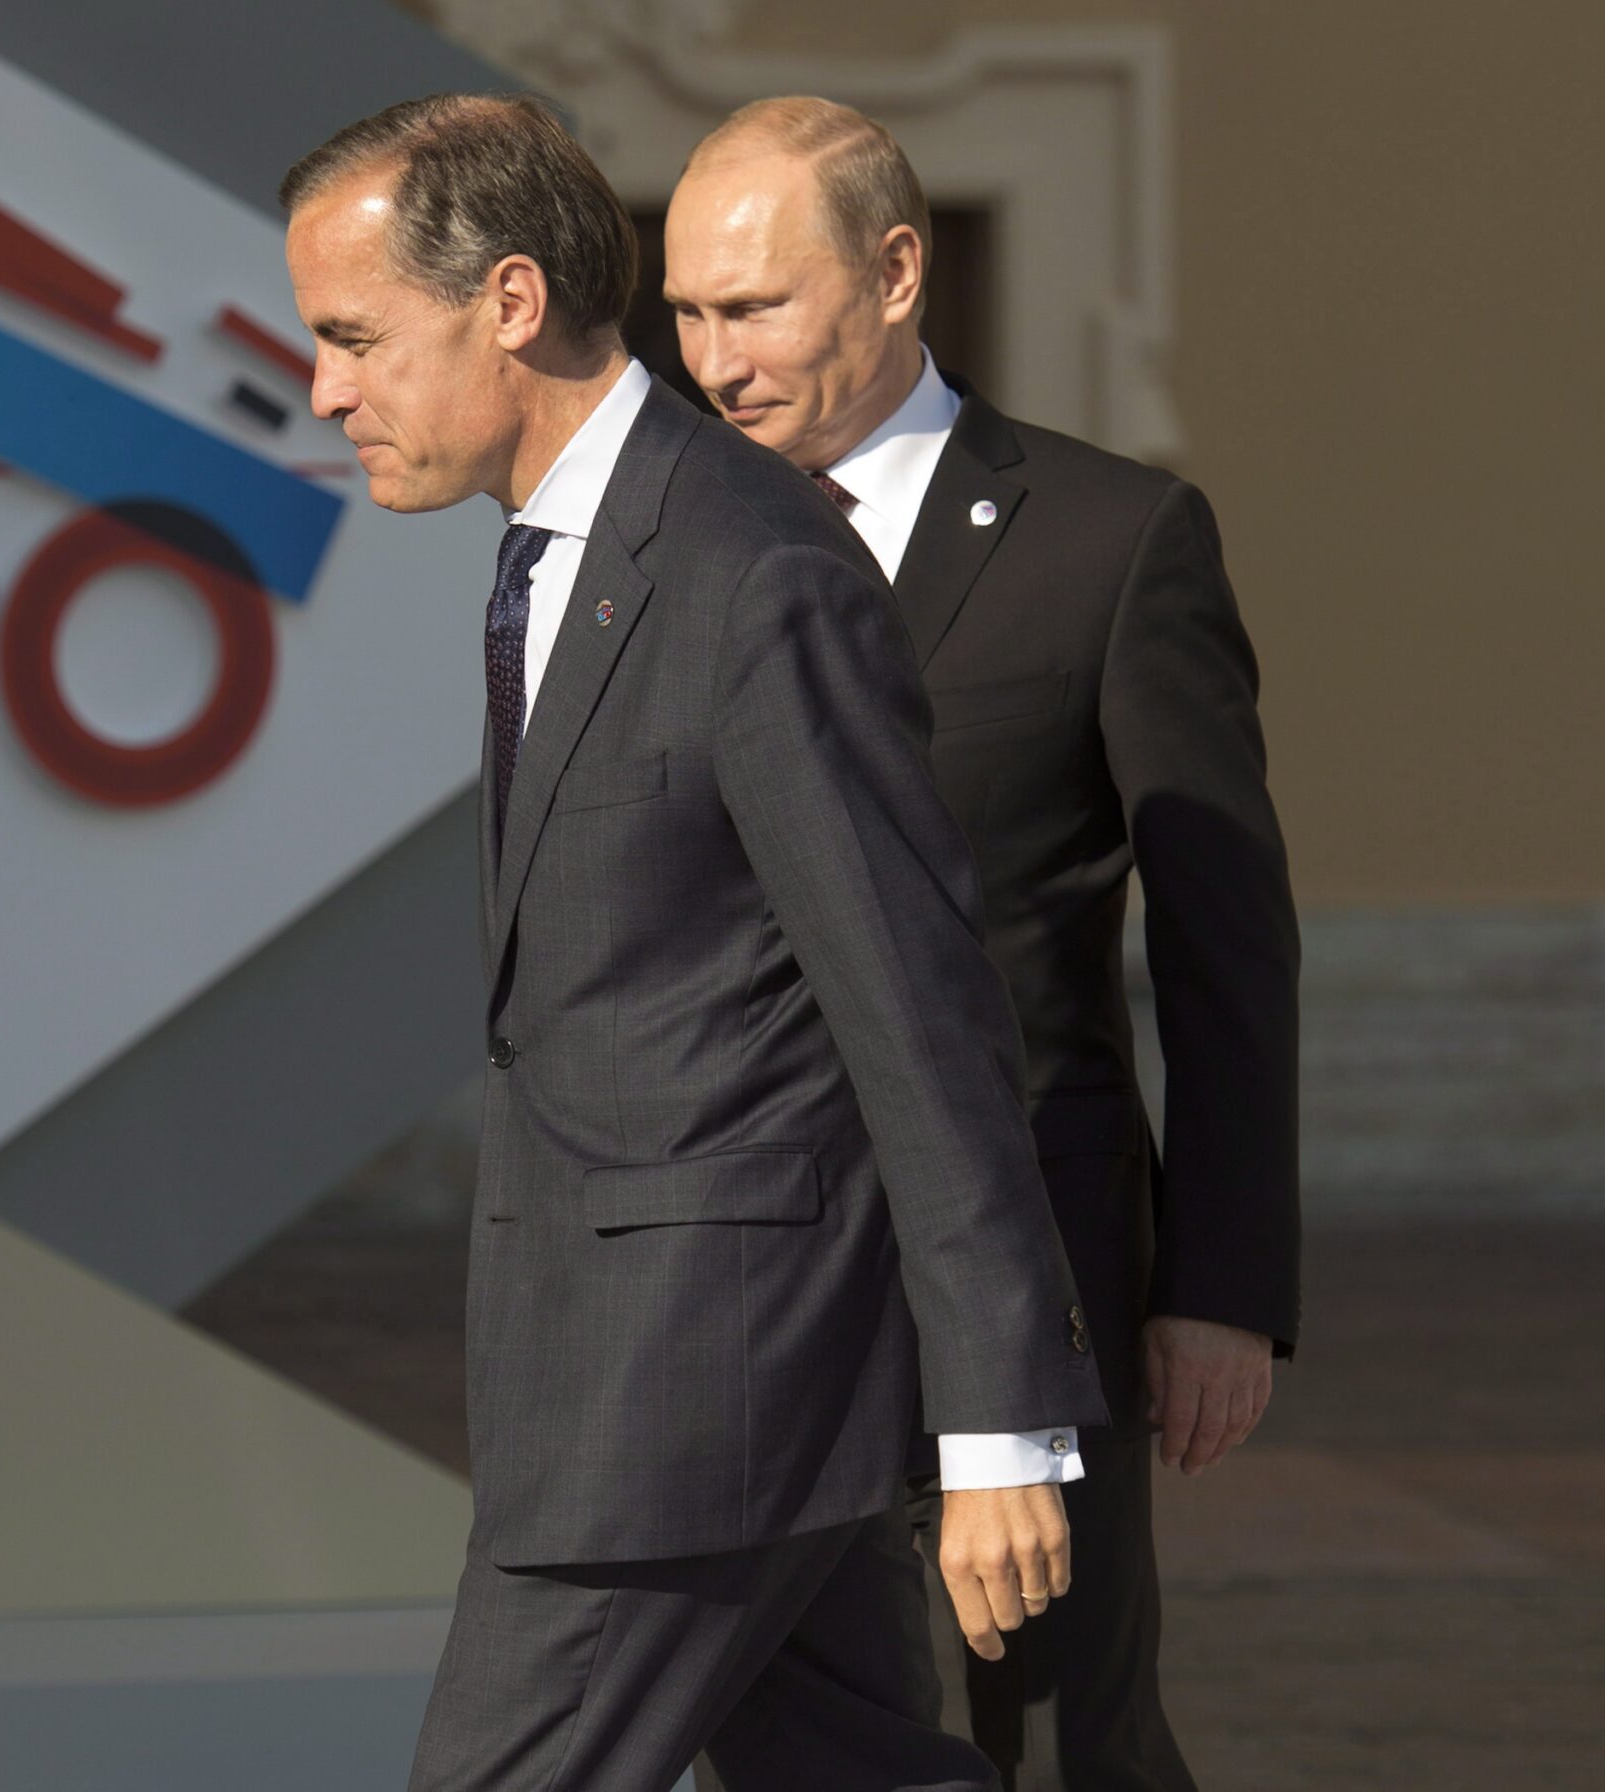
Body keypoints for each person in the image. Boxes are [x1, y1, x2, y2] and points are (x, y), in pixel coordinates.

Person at [280, 93, 1105, 1791]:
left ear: (510, 303)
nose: (325, 389)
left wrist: (1000, 1416)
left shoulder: (749, 568)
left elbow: (916, 998)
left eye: (353, 336)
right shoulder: (566, 560)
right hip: (681, 1380)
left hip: (679, 1400)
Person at [663, 98, 1301, 1790]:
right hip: (743, 1256)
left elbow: (1231, 945)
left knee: (1053, 1726)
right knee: (791, 1725)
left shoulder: (1114, 542)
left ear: (892, 273)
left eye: (755, 309)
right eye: (687, 315)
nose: (713, 362)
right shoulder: (659, 554)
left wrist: (1222, 1291)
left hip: (1038, 1260)